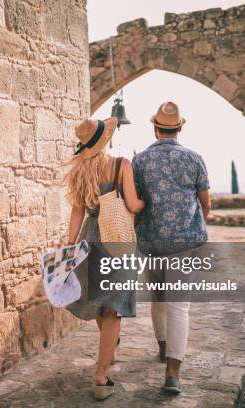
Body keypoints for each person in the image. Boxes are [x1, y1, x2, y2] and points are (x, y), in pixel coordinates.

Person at [132, 101, 211, 394]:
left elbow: (135, 203)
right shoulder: (194, 158)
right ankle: (173, 373)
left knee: (157, 297)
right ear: (180, 127)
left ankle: (163, 348)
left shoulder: (139, 161)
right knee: (179, 305)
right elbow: (205, 203)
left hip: (150, 241)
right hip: (184, 243)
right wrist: (194, 224)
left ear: (155, 128)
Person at [64, 117, 144, 400]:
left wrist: (70, 247)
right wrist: (145, 203)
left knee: (100, 302)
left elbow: (77, 213)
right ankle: (101, 376)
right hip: (117, 240)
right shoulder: (122, 164)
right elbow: (133, 204)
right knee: (113, 309)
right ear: (105, 140)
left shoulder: (79, 171)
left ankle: (108, 353)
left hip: (89, 240)